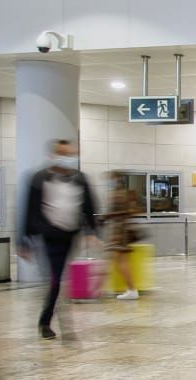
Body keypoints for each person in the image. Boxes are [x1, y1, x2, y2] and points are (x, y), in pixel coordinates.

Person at [19, 140, 99, 340]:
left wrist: (91, 231)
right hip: (47, 236)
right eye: (63, 153)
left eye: (71, 154)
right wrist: (23, 240)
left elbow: (89, 206)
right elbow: (28, 210)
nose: (68, 158)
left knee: (59, 277)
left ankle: (52, 318)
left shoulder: (80, 179)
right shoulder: (39, 179)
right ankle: (50, 322)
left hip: (69, 235)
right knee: (55, 278)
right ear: (53, 155)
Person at [103, 188, 141, 300]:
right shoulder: (122, 201)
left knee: (120, 262)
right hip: (120, 235)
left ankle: (132, 289)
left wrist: (107, 216)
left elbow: (128, 213)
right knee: (119, 262)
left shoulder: (122, 202)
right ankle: (131, 289)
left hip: (120, 235)